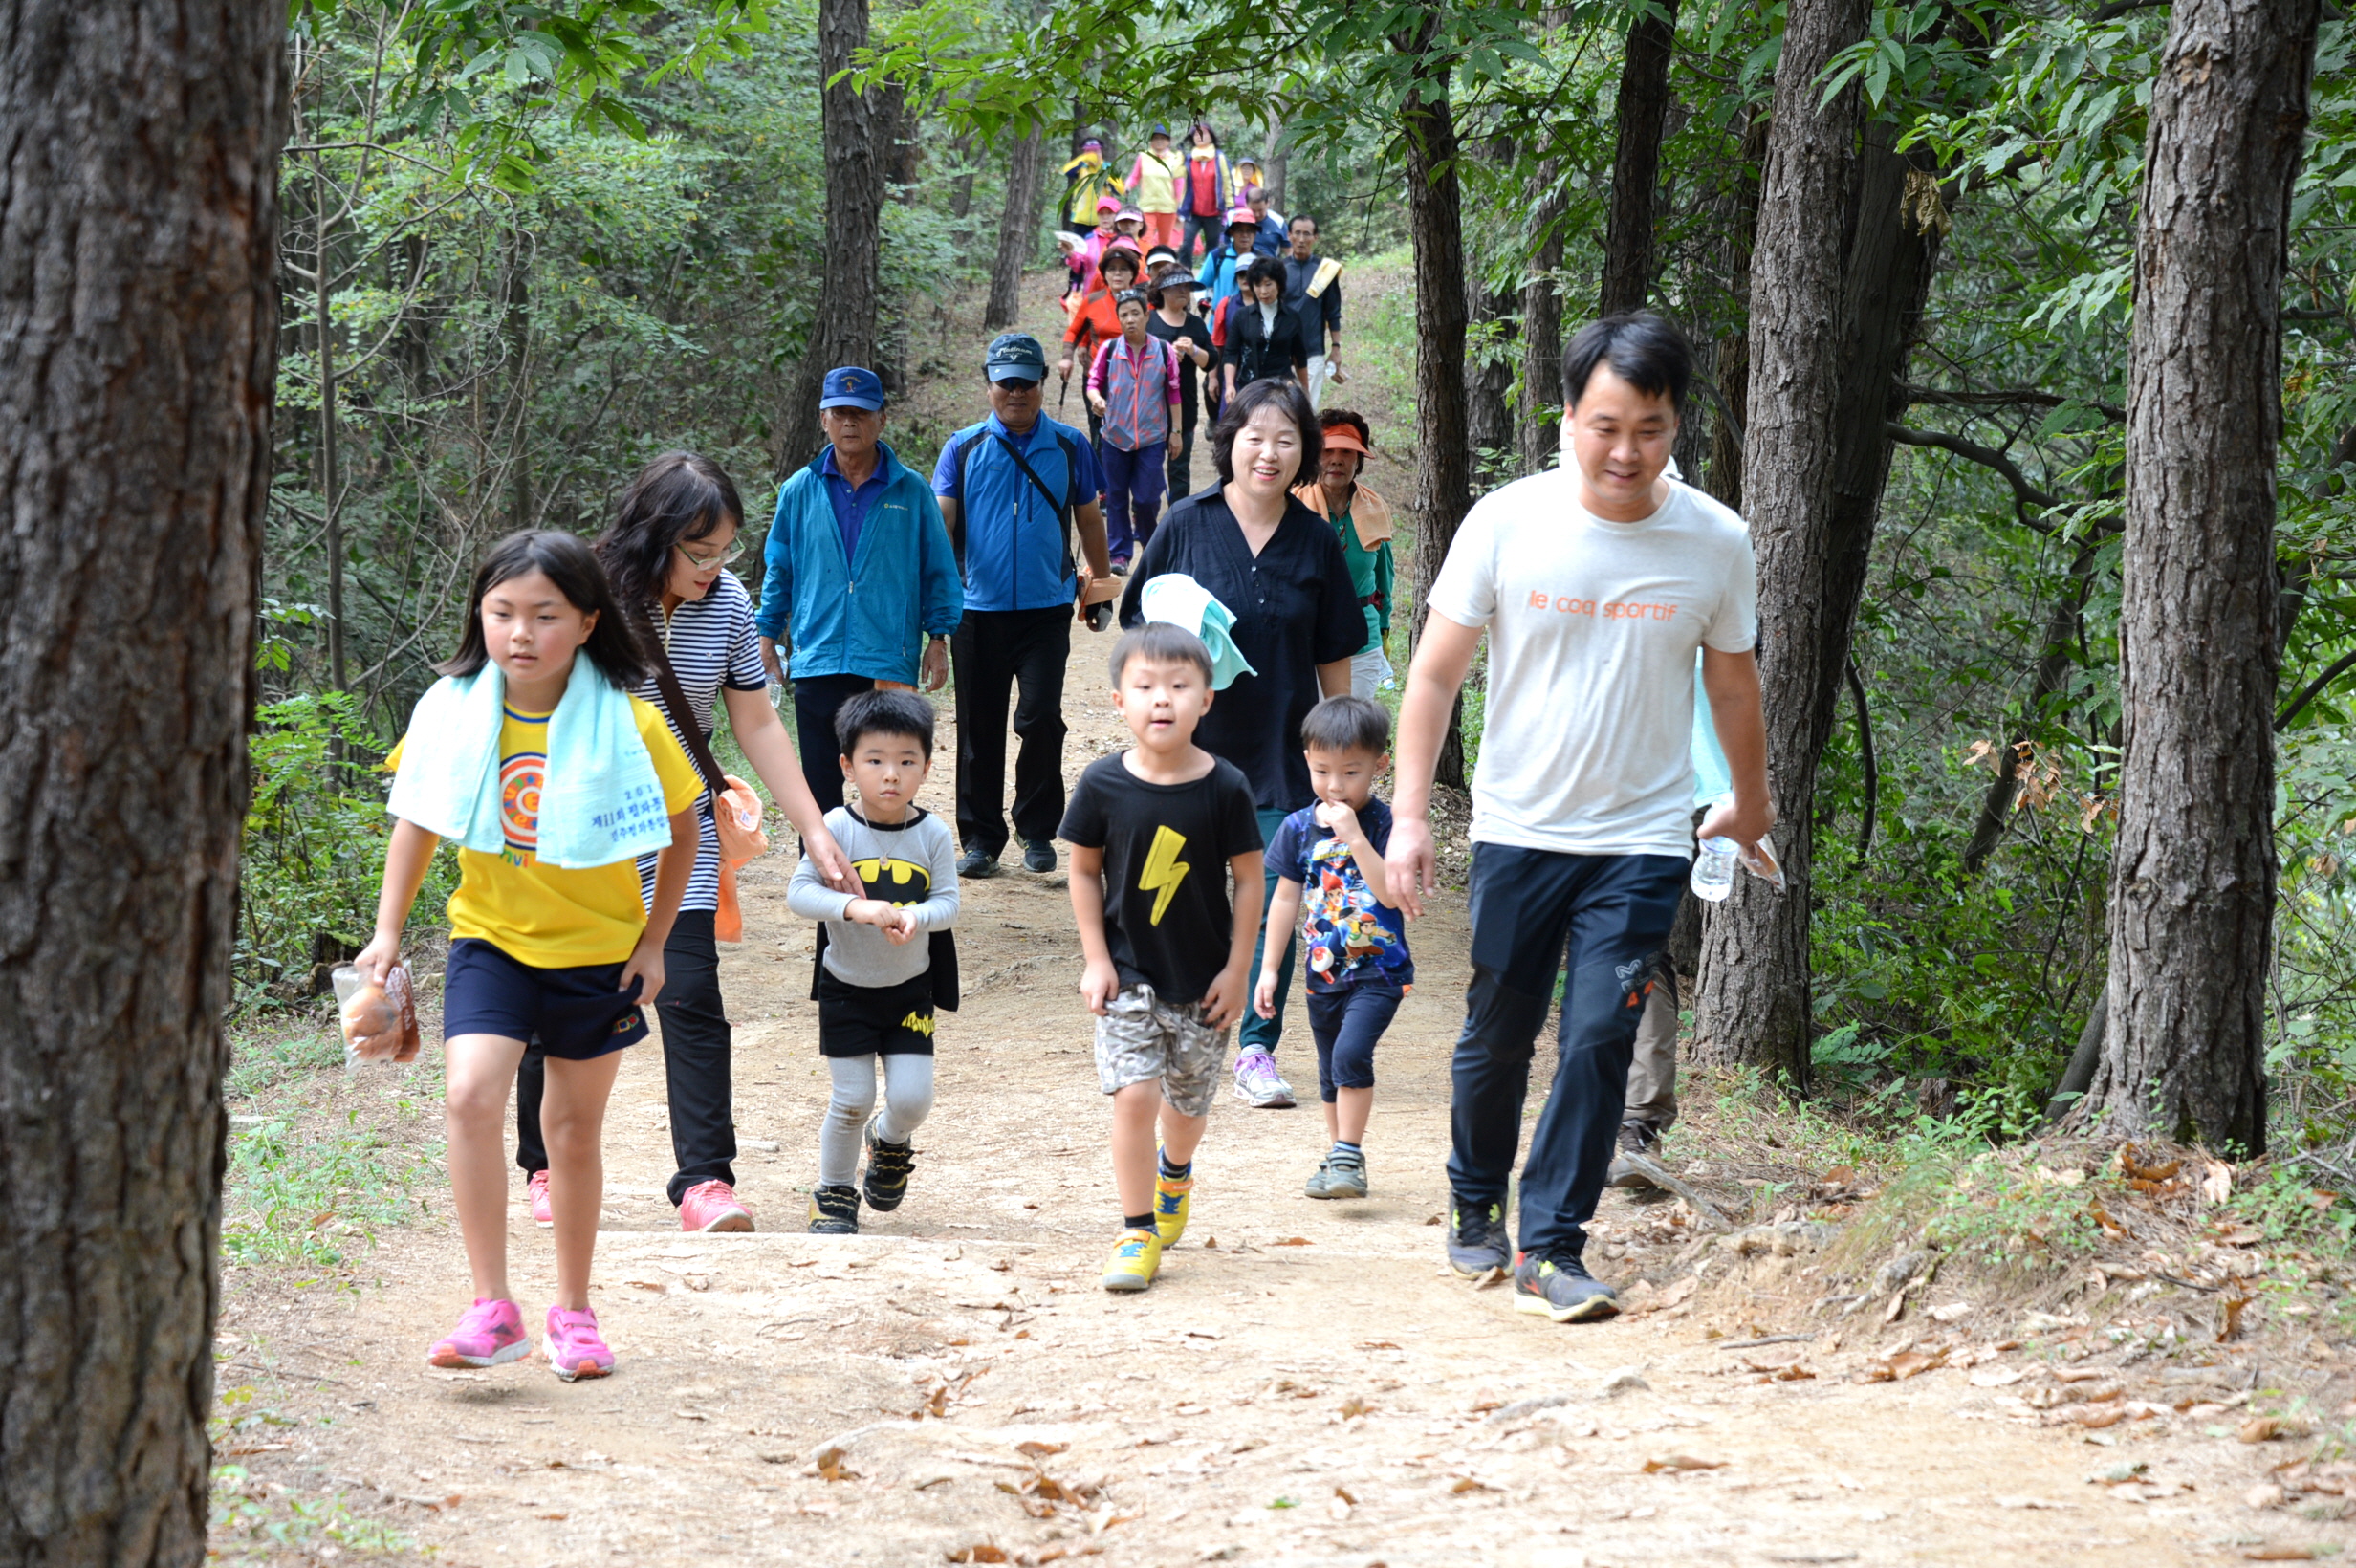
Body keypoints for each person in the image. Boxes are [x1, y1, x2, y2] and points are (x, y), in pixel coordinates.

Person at [1382, 312, 1774, 1325]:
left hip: (1641, 838)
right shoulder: (1508, 521)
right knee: (1498, 1032)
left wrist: (1750, 796)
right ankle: (1474, 1195)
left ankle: (1550, 1242)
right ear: (1566, 418)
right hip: (1519, 825)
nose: (1625, 452)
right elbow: (1433, 675)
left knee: (1601, 1033)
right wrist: (1410, 818)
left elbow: (1733, 686)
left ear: (1676, 422)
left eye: (1648, 427)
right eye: (1604, 425)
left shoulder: (1716, 539)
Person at [360, 530, 702, 1381]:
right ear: (481, 615)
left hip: (600, 954)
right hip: (491, 941)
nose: (520, 633)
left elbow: (686, 827)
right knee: (470, 1094)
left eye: (545, 615)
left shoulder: (629, 720)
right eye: (503, 612)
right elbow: (419, 818)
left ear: (587, 623)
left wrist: (657, 941)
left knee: (570, 1134)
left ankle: (575, 1314)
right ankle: (491, 1306)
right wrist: (388, 931)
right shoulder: (450, 709)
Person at [512, 454, 858, 1241]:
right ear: (655, 537)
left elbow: (757, 720)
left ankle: (704, 1180)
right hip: (580, 831)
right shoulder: (586, 597)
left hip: (680, 829)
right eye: (698, 554)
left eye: (724, 552)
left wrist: (811, 821)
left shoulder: (729, 604)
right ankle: (544, 1164)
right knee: (564, 998)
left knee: (691, 995)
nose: (713, 569)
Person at [1119, 378, 1363, 1109]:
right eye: (1255, 437)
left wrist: (1339, 754)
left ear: (1305, 455)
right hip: (1185, 758)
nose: (1269, 453)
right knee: (1175, 896)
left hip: (1281, 757)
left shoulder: (1317, 541)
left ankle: (1256, 1045)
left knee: (1272, 903)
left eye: (1287, 441)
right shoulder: (1186, 523)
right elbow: (1140, 628)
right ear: (1230, 443)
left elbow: (1334, 660)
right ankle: (1170, 1026)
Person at [1061, 622, 1266, 1292]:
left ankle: (1174, 1171)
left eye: (1179, 687)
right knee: (1135, 1098)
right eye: (1145, 686)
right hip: (1129, 979)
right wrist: (1096, 959)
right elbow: (1084, 871)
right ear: (1118, 700)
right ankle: (1136, 1230)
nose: (1162, 700)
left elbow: (1250, 880)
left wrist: (1239, 971)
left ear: (1206, 699)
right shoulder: (1100, 785)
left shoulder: (1227, 787)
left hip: (1202, 986)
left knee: (1185, 1113)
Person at [933, 333, 1112, 881]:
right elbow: (942, 527)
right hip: (976, 610)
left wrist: (1100, 586)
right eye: (1005, 382)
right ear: (989, 385)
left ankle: (1037, 829)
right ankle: (981, 838)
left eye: (1026, 382)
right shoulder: (962, 448)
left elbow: (1088, 517)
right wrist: (935, 605)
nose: (1016, 392)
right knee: (979, 726)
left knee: (1040, 718)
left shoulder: (1069, 445)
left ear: (1041, 384)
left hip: (1046, 608)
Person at [788, 691, 961, 1235]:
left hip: (910, 988)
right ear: (847, 765)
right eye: (876, 761)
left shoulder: (932, 833)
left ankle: (887, 1141)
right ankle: (833, 1192)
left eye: (907, 762)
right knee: (851, 1098)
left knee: (911, 1099)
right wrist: (855, 907)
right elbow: (798, 894)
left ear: (927, 767)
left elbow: (950, 902)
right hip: (846, 987)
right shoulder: (834, 829)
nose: (892, 776)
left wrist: (919, 917)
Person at [755, 366, 962, 812]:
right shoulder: (799, 490)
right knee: (819, 785)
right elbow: (780, 570)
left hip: (886, 657)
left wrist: (938, 638)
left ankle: (885, 874)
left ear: (881, 420)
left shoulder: (910, 491)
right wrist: (767, 638)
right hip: (819, 656)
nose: (850, 422)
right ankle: (820, 872)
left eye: (862, 413)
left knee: (887, 781)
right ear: (823, 419)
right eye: (840, 413)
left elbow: (938, 569)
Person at [1254, 695, 1412, 1200]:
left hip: (1379, 973)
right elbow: (1283, 900)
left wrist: (1354, 837)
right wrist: (1269, 972)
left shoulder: (1387, 826)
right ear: (1307, 761)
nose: (1335, 786)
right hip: (1322, 973)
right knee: (1328, 1074)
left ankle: (1349, 1153)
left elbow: (1389, 892)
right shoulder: (1298, 827)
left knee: (1350, 1055)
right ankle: (1338, 1156)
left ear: (1378, 766)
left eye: (1350, 772)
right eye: (1323, 771)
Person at [1289, 409, 1393, 698]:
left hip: (1362, 637)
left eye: (1347, 451)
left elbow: (1384, 576)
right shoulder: (1291, 507)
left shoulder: (1374, 508)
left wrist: (1383, 629)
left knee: (1349, 735)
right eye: (1328, 450)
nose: (1336, 459)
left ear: (1358, 460)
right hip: (1305, 636)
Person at [1087, 290, 1181, 569]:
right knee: (1115, 498)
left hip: (1152, 438)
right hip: (1114, 437)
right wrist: (1097, 400)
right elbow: (1093, 384)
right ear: (1118, 319)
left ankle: (1151, 550)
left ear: (1147, 316)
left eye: (1135, 313)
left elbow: (1174, 393)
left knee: (1147, 498)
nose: (1130, 320)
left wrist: (1176, 432)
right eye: (1124, 315)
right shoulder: (1109, 350)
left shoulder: (1163, 351)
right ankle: (1119, 555)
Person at [1145, 272, 1216, 502]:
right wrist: (1163, 355)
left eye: (1187, 287)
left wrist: (1194, 351)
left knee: (1180, 470)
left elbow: (1211, 361)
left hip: (1185, 407)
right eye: (1177, 287)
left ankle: (1177, 519)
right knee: (1148, 471)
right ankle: (1145, 522)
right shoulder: (1148, 321)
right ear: (1162, 291)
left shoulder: (1195, 324)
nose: (1183, 291)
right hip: (1149, 409)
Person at [1224, 256, 1311, 403]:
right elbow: (1231, 353)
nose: (1263, 291)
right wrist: (1229, 385)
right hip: (1250, 388)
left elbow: (1299, 357)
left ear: (1279, 285)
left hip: (1283, 388)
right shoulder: (1242, 316)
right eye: (1258, 285)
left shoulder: (1292, 317)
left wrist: (1305, 390)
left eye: (1268, 284)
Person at [1279, 215, 1344, 409]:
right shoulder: (1278, 269)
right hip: (1281, 351)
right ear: (1289, 235)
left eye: (1307, 234)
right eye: (1297, 233)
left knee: (1309, 407)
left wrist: (1336, 348)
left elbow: (1333, 312)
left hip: (1313, 351)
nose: (1301, 239)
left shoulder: (1325, 271)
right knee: (1282, 407)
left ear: (1315, 237)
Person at [1180, 122, 1234, 264]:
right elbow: (1177, 178)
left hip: (1214, 213)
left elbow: (1227, 181)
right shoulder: (1188, 159)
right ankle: (1186, 276)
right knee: (1186, 245)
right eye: (1196, 134)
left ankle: (1210, 279)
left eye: (1203, 133)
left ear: (1211, 137)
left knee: (1212, 249)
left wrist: (1229, 205)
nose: (1200, 137)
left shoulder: (1219, 158)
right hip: (1193, 212)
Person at [1124, 125, 1186, 253]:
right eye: (1156, 138)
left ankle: (1164, 269)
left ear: (1168, 141)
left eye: (1162, 138)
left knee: (1165, 242)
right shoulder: (1144, 156)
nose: (1159, 141)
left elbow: (1179, 183)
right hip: (1147, 206)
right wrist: (1128, 185)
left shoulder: (1175, 159)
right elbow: (1134, 176)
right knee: (1145, 239)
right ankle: (1144, 268)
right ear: (1151, 141)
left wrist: (1180, 205)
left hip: (1168, 207)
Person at [1195, 208, 1262, 318]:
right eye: (1240, 231)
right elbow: (1200, 284)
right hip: (1219, 323)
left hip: (1251, 323)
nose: (1245, 235)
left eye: (1249, 231)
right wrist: (1202, 300)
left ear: (1255, 234)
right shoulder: (1218, 256)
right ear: (1232, 233)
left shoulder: (1261, 260)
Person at [1061, 138, 1123, 227]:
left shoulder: (1109, 168)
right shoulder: (1081, 167)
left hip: (1102, 219)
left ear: (1100, 152)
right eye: (1088, 151)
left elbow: (1119, 190)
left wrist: (1107, 178)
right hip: (1080, 219)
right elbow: (1067, 171)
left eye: (1095, 151)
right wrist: (1084, 159)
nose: (1092, 154)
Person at [1241, 183, 1287, 255]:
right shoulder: (1235, 220)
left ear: (1268, 203)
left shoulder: (1278, 222)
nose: (1257, 214)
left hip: (1269, 264)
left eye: (1260, 210)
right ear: (1246, 204)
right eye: (1253, 210)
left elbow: (1289, 251)